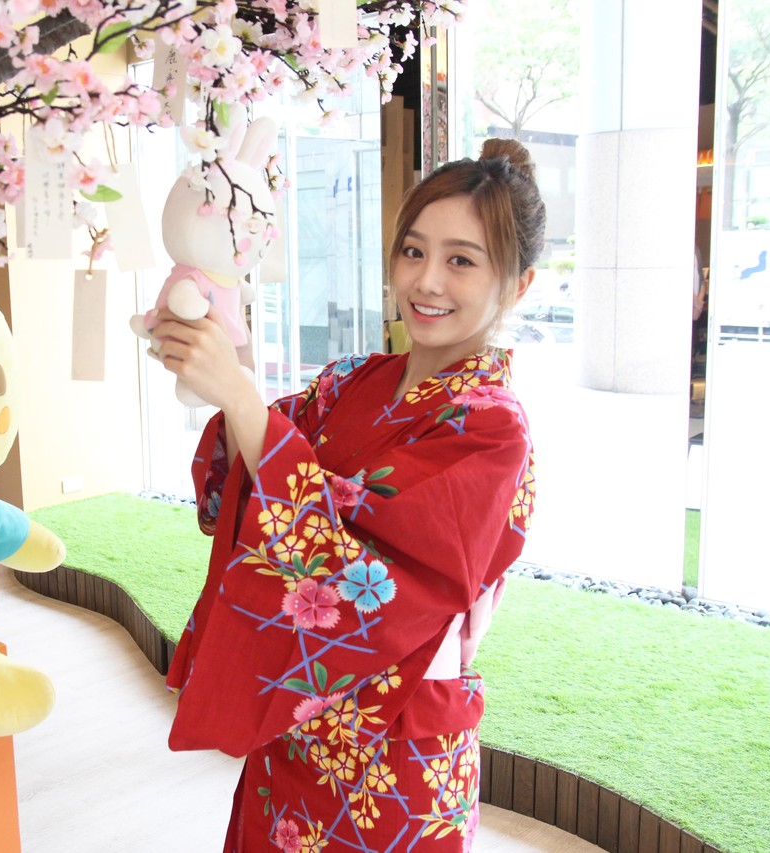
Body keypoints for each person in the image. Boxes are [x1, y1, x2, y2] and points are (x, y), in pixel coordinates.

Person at [149, 137, 547, 852]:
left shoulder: (493, 428)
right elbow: (246, 468)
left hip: (394, 751)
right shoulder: (348, 382)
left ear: (518, 284)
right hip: (295, 725)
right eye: (413, 251)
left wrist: (242, 400)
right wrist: (221, 356)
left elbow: (375, 578)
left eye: (461, 260)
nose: (427, 280)